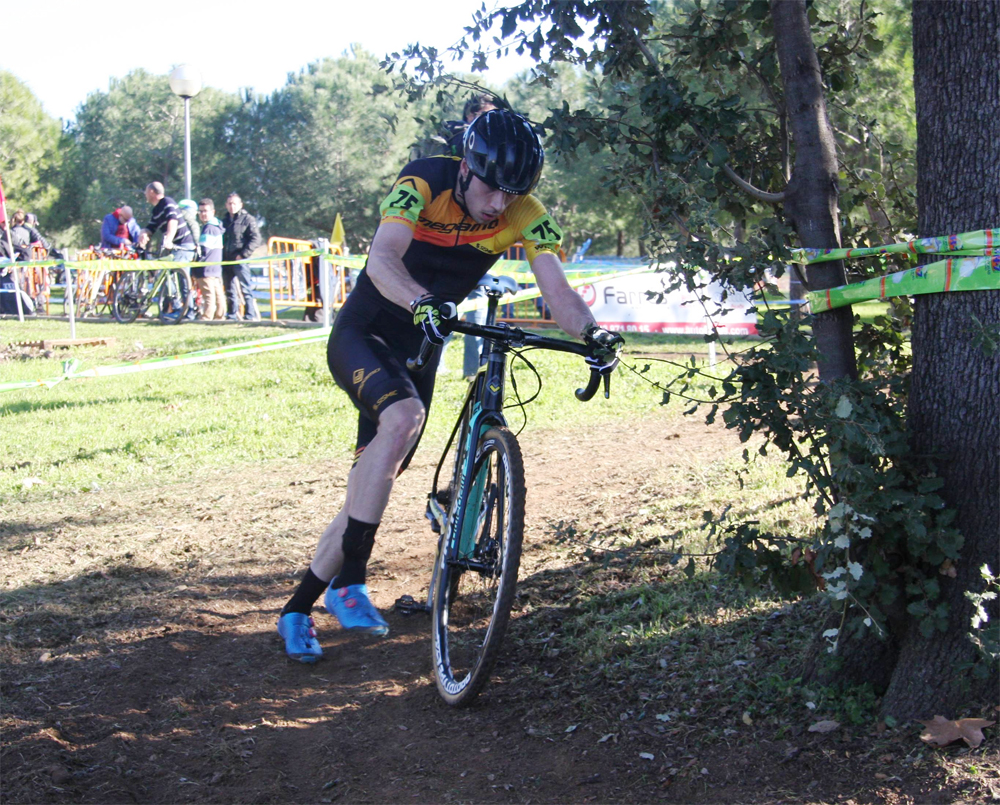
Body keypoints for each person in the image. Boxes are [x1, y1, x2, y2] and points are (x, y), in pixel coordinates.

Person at [276, 109, 624, 662]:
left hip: (420, 348)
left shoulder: (525, 213)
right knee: (404, 421)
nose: (499, 206)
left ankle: (297, 608)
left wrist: (594, 332)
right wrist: (420, 301)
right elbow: (383, 257)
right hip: (366, 333)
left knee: (377, 475)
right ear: (466, 168)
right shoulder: (423, 181)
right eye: (492, 188)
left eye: (514, 194)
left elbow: (558, 291)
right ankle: (353, 581)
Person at [221, 193, 262, 321]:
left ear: (240, 205)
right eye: (229, 203)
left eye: (234, 203)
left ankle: (249, 315)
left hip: (240, 259)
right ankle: (232, 315)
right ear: (226, 205)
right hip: (226, 260)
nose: (232, 206)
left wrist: (243, 254)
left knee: (246, 288)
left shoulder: (248, 219)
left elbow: (256, 238)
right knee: (229, 290)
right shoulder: (224, 221)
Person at [194, 199, 226, 320]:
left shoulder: (208, 228)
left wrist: (196, 263)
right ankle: (220, 315)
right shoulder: (217, 226)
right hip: (215, 266)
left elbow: (203, 250)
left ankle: (207, 316)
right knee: (218, 293)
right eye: (200, 211)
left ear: (213, 211)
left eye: (205, 211)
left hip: (206, 266)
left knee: (208, 294)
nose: (203, 214)